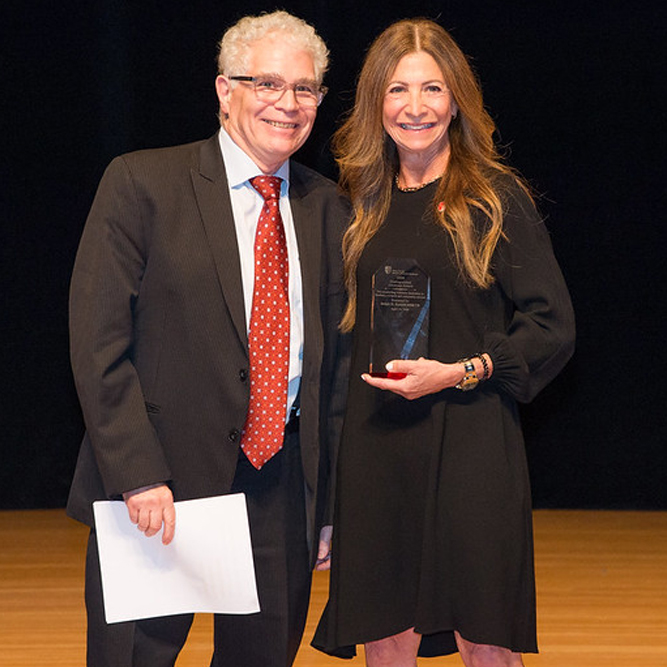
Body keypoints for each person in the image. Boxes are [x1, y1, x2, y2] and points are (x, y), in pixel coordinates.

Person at [67, 10, 349, 667]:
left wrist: (326, 502)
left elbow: (333, 371)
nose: (288, 103)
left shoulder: (329, 207)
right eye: (268, 83)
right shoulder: (143, 184)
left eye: (304, 89)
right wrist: (137, 475)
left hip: (280, 494)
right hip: (158, 490)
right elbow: (97, 341)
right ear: (225, 90)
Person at [312, 18, 575, 667]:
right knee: (387, 633)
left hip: (472, 439)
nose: (415, 106)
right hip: (377, 445)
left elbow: (552, 324)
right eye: (398, 89)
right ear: (377, 101)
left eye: (432, 88)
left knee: (483, 636)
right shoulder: (354, 201)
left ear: (455, 99)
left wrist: (460, 370)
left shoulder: (494, 197)